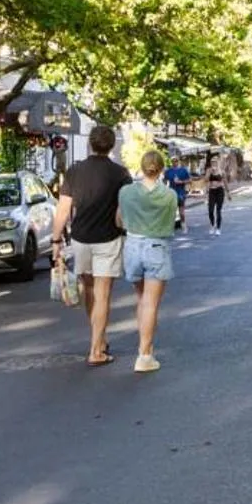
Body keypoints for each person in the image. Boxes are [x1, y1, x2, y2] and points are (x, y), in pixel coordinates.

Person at [51, 125, 131, 367]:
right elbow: (121, 212)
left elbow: (63, 209)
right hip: (108, 238)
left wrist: (56, 241)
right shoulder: (120, 174)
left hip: (81, 238)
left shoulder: (75, 171)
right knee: (103, 294)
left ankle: (99, 339)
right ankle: (96, 349)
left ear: (90, 144)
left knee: (89, 290)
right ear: (111, 146)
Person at [117, 150, 180, 374]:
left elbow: (119, 219)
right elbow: (172, 221)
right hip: (156, 247)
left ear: (142, 167)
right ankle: (144, 355)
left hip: (132, 246)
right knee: (151, 303)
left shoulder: (125, 192)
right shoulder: (169, 195)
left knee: (141, 299)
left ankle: (146, 346)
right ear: (161, 169)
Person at [166, 155, 192, 233]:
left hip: (181, 193)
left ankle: (183, 225)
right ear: (171, 162)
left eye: (176, 161)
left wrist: (181, 182)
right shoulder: (168, 171)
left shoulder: (183, 170)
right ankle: (171, 228)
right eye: (173, 161)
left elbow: (190, 180)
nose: (175, 162)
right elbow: (165, 180)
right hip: (171, 193)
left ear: (178, 161)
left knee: (181, 213)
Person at [205, 154, 229, 235]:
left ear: (218, 162)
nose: (214, 163)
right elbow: (206, 180)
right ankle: (212, 225)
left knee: (218, 211)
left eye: (215, 162)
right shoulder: (209, 170)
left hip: (220, 191)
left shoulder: (222, 171)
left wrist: (228, 193)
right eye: (212, 162)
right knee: (210, 211)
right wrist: (211, 172)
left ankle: (218, 228)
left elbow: (225, 182)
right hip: (212, 191)